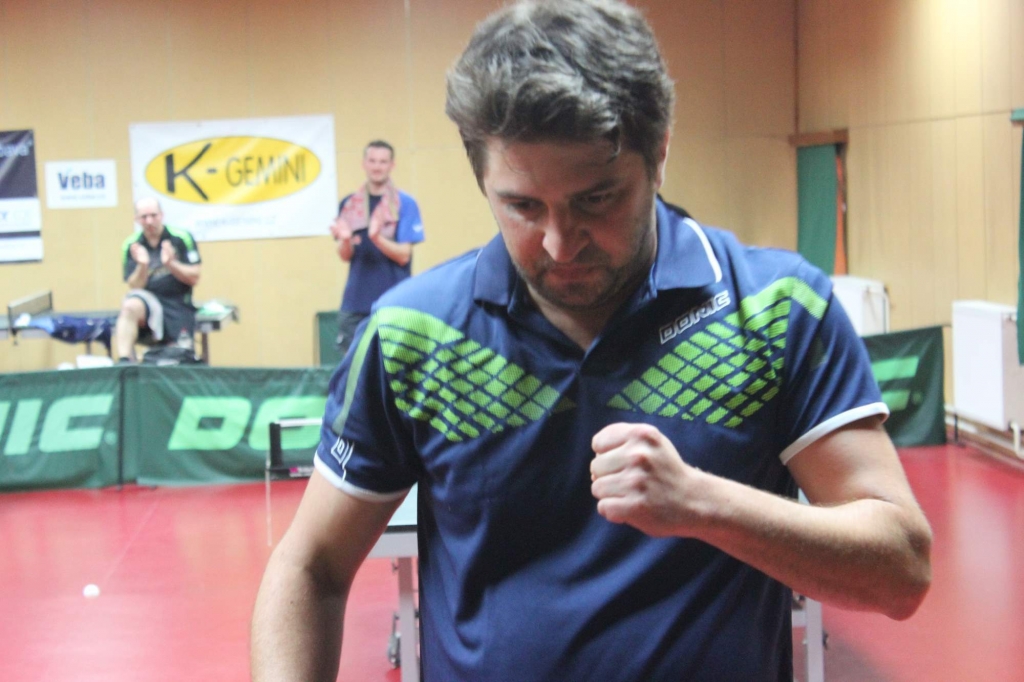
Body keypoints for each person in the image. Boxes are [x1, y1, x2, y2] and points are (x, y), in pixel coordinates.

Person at [251, 1, 932, 680]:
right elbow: (310, 565)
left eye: (596, 200)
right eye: (522, 206)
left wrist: (704, 504)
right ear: (482, 179)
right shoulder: (413, 333)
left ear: (659, 154)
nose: (559, 242)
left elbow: (901, 568)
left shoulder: (776, 309)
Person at [330, 140, 424, 357]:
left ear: (392, 165)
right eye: (372, 161)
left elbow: (404, 255)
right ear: (364, 164)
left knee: (394, 368)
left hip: (395, 302)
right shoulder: (349, 204)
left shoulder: (404, 203)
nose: (377, 166)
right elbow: (345, 255)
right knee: (354, 370)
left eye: (383, 162)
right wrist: (346, 240)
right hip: (355, 304)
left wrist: (376, 238)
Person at [115, 198, 201, 362]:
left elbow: (194, 277)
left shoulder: (181, 238)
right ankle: (124, 360)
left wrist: (171, 264)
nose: (149, 221)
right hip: (148, 302)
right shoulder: (131, 245)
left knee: (179, 356)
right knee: (129, 305)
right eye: (144, 217)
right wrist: (142, 265)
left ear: (161, 215)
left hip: (177, 302)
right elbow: (134, 286)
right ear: (136, 219)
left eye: (153, 215)